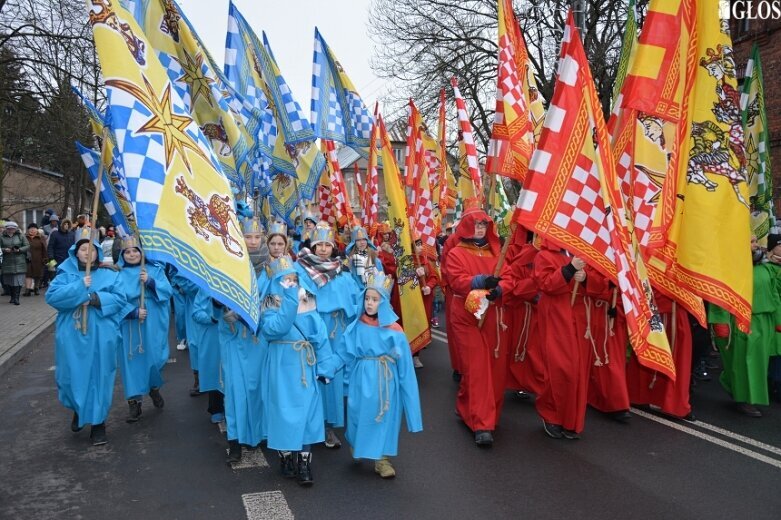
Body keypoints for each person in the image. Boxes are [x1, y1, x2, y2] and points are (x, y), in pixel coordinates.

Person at [45, 227, 129, 445]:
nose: (87, 253)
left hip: (101, 334)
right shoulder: (65, 273)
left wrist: (93, 298)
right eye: (83, 249)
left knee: (100, 376)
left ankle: (98, 424)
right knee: (70, 377)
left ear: (98, 253)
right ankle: (78, 408)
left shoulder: (109, 275)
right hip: (71, 336)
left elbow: (120, 299)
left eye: (91, 249)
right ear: (76, 251)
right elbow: (52, 298)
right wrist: (79, 286)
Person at [260, 257, 339, 486]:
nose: (289, 282)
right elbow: (276, 328)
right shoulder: (268, 303)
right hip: (280, 366)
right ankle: (285, 457)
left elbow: (320, 335)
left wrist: (325, 366)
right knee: (282, 412)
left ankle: (304, 462)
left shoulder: (308, 300)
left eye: (293, 278)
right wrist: (288, 299)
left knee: (307, 413)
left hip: (304, 364)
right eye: (284, 279)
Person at [341, 273, 423, 478]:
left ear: (384, 302)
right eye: (367, 298)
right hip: (361, 379)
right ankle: (357, 442)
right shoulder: (356, 326)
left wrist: (413, 412)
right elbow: (344, 353)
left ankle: (382, 460)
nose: (369, 303)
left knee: (386, 417)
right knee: (357, 415)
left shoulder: (395, 331)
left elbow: (406, 369)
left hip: (386, 381)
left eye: (375, 299)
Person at [443, 198, 510, 447]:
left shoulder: (497, 252)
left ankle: (467, 406)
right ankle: (481, 423)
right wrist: (480, 281)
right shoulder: (456, 253)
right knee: (477, 367)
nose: (480, 229)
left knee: (492, 369)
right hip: (466, 316)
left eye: (484, 225)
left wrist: (501, 289)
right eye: (476, 224)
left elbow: (509, 276)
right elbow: (456, 280)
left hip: (492, 316)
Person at [295, 221, 358, 449]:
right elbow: (301, 302)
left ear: (333, 247)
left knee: (333, 379)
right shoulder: (302, 270)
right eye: (319, 245)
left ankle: (329, 427)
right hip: (314, 330)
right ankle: (313, 425)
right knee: (312, 376)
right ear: (312, 247)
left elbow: (354, 302)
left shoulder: (342, 271)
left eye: (327, 245)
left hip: (338, 330)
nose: (323, 249)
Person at [710, 234, 781, 417]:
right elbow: (719, 296)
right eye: (751, 242)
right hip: (742, 322)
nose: (756, 245)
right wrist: (720, 321)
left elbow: (774, 295)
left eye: (756, 241)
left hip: (763, 322)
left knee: (758, 363)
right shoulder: (729, 270)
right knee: (742, 362)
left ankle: (744, 392)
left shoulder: (765, 268)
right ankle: (742, 398)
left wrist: (778, 321)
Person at [219, 217, 268, 463]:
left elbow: (277, 299)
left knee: (258, 388)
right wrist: (219, 304)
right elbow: (215, 293)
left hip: (259, 339)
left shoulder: (271, 268)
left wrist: (260, 312)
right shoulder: (228, 263)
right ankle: (235, 441)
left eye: (256, 237)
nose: (252, 241)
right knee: (235, 390)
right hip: (235, 338)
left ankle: (257, 434)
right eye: (248, 237)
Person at [533, 240, 592, 440]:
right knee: (558, 368)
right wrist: (569, 269)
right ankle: (551, 414)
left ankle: (571, 420)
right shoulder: (544, 255)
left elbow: (599, 285)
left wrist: (585, 278)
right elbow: (545, 284)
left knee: (577, 370)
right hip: (556, 316)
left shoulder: (582, 251)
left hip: (578, 318)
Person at [116, 236, 173, 423]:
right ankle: (134, 402)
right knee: (132, 362)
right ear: (122, 254)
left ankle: (153, 387)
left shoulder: (154, 269)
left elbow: (167, 292)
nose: (132, 254)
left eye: (135, 251)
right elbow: (113, 299)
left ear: (142, 253)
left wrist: (150, 282)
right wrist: (131, 312)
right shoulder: (117, 274)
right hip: (131, 322)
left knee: (156, 358)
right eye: (128, 252)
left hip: (153, 318)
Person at [626, 289, 695, 419]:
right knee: (647, 350)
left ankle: (674, 404)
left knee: (679, 359)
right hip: (652, 307)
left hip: (676, 309)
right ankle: (640, 396)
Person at [1, 221, 30, 305]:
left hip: (19, 261)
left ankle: (16, 298)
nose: (11, 230)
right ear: (6, 229)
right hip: (7, 262)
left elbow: (27, 246)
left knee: (18, 281)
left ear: (15, 229)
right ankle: (12, 297)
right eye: (9, 228)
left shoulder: (21, 236)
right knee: (9, 281)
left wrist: (19, 249)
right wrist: (4, 250)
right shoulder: (1, 236)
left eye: (12, 228)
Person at [23, 223, 48, 297]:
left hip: (39, 259)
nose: (32, 230)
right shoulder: (25, 237)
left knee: (38, 274)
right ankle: (27, 290)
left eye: (34, 228)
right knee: (28, 274)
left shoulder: (41, 237)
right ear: (28, 230)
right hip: (28, 259)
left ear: (37, 230)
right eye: (31, 228)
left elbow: (45, 249)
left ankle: (36, 288)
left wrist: (45, 258)